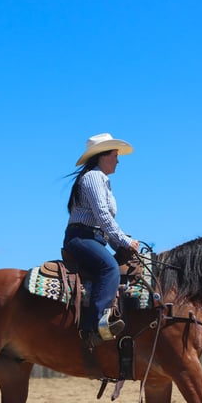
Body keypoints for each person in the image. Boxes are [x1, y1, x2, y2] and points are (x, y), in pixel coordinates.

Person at [63, 133, 140, 348]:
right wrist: (124, 242)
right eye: (115, 155)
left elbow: (104, 222)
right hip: (82, 237)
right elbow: (103, 216)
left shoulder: (100, 180)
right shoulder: (94, 178)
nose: (118, 160)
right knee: (109, 269)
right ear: (102, 156)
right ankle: (95, 326)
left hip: (94, 238)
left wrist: (121, 244)